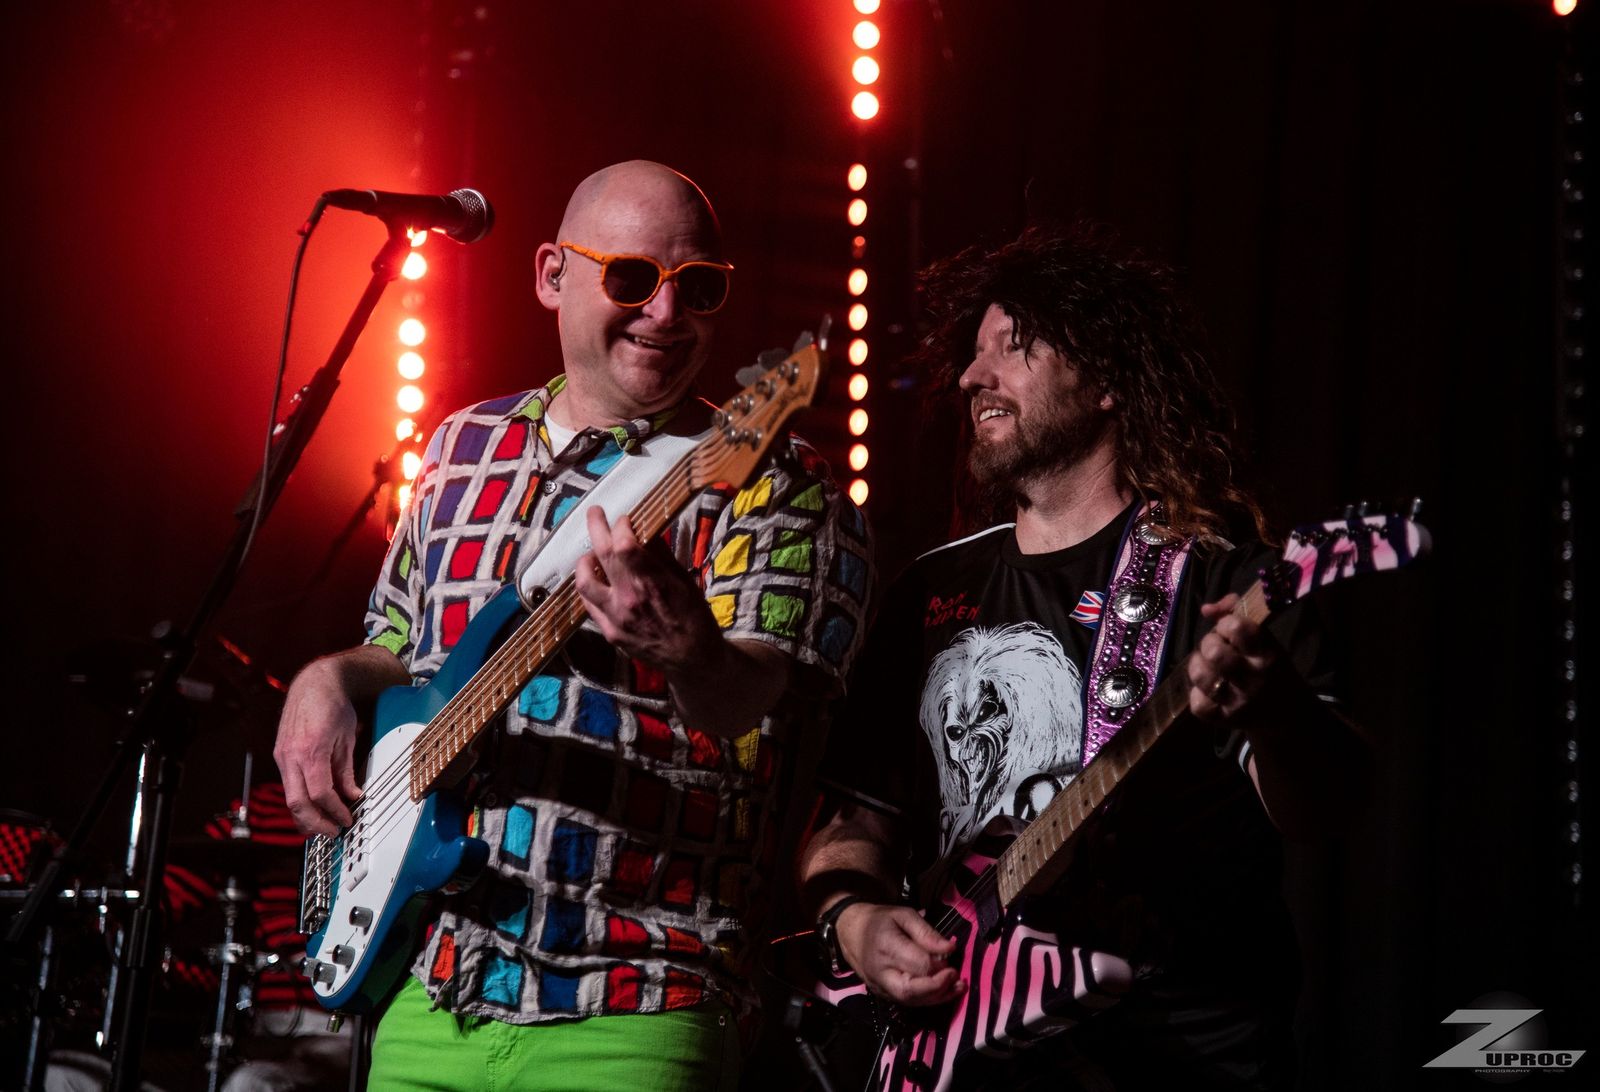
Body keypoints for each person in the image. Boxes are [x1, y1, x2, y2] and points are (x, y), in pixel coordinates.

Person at [274, 160, 873, 1090]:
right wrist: (327, 680)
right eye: (632, 278)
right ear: (553, 275)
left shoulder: (777, 480)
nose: (666, 314)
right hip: (433, 987)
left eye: (698, 289)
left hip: (638, 996)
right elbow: (397, 647)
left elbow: (755, 704)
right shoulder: (460, 447)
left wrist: (688, 650)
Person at [799, 224, 1368, 1089]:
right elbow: (851, 828)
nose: (973, 377)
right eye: (974, 353)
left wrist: (1276, 712)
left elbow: (1330, 809)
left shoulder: (1221, 582)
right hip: (958, 1061)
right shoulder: (929, 591)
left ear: (1106, 381)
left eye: (1013, 347)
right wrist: (855, 920)